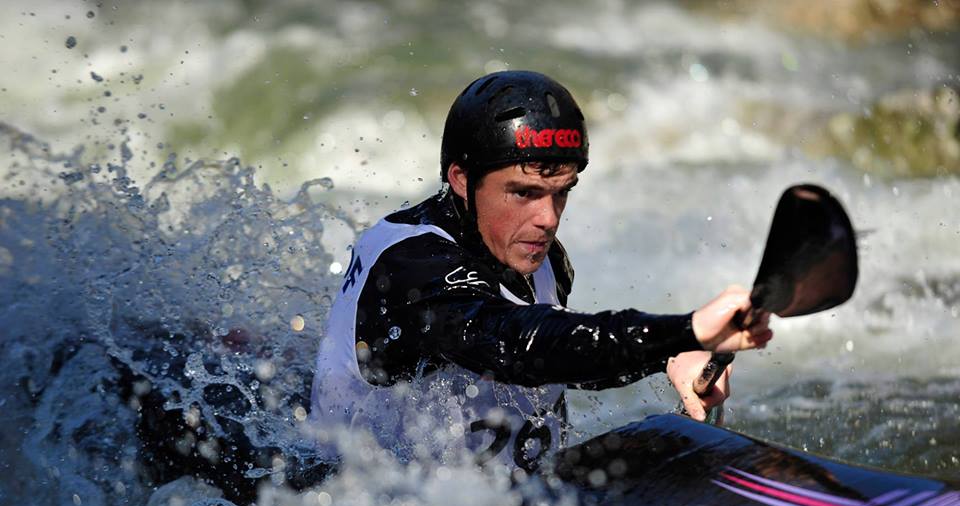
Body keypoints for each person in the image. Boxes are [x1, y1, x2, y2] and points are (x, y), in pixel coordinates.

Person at [310, 70, 772, 473]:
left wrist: (668, 358)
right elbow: (516, 345)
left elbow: (559, 354)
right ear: (461, 180)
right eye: (524, 193)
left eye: (561, 192)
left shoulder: (536, 255)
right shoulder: (408, 265)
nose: (548, 219)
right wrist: (681, 331)